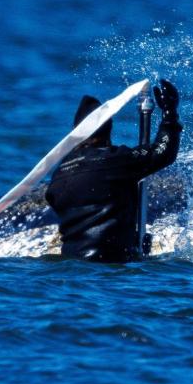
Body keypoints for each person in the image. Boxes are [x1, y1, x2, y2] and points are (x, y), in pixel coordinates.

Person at [44, 79, 182, 263]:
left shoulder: (60, 174)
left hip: (71, 266)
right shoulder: (112, 161)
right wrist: (169, 114)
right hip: (109, 267)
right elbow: (162, 153)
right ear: (107, 131)